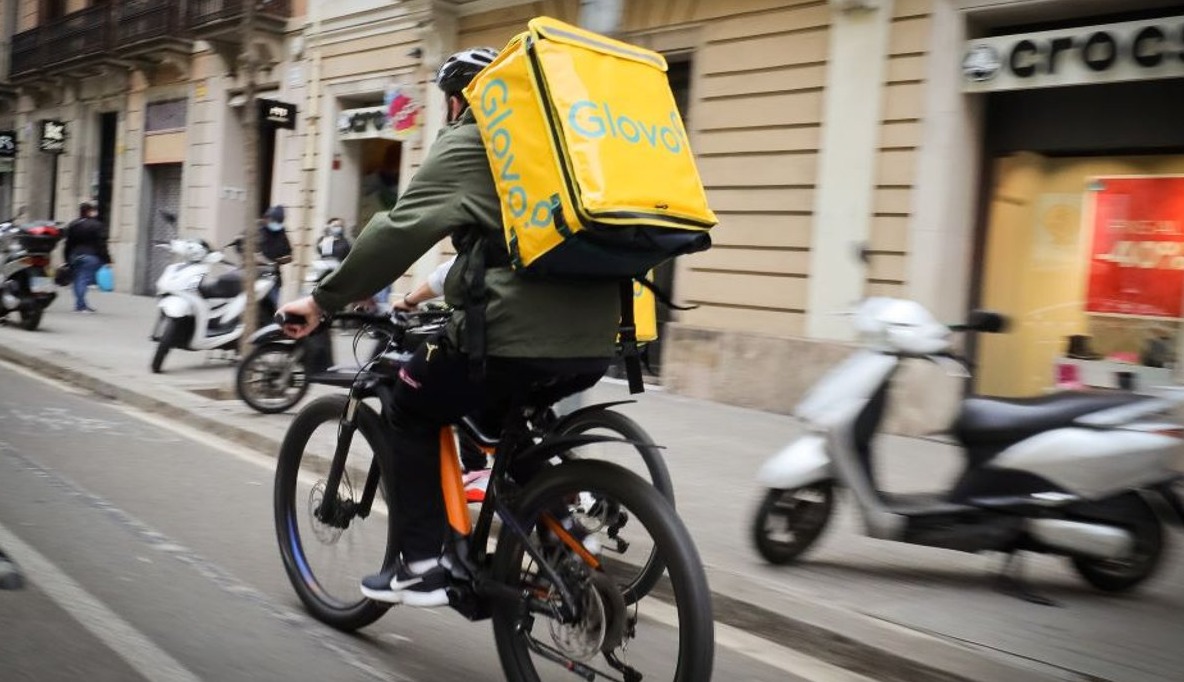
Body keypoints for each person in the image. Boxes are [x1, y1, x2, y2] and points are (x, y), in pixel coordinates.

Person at [278, 46, 621, 607]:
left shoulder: (473, 137)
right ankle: (563, 527)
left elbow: (399, 228)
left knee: (411, 400)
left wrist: (322, 301)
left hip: (514, 334)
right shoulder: (559, 149)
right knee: (498, 428)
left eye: (448, 102)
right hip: (593, 339)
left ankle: (423, 563)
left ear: (460, 98)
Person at [63, 201, 110, 313]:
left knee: (78, 279)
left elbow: (68, 243)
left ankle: (81, 303)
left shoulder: (73, 224)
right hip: (90, 256)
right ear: (90, 211)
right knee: (83, 280)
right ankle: (81, 306)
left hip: (74, 255)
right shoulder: (97, 225)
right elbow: (101, 244)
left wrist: (66, 258)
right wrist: (107, 259)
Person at [257, 205, 292, 309]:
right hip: (256, 275)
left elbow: (289, 254)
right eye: (274, 220)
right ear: (267, 218)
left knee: (273, 308)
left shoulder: (282, 234)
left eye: (279, 221)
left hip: (273, 277)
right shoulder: (257, 230)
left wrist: (280, 261)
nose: (275, 224)